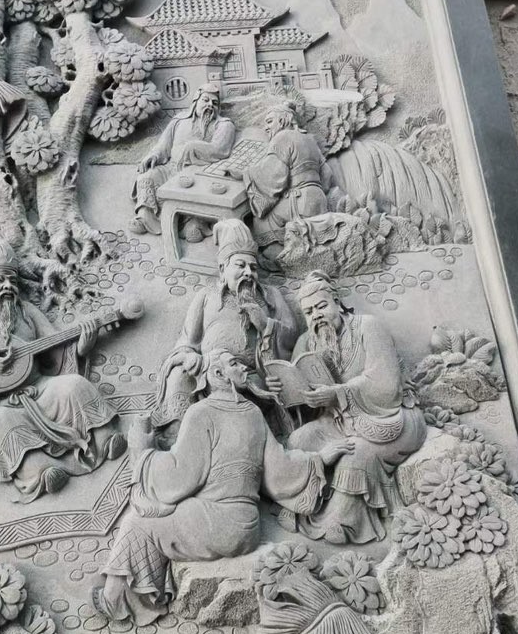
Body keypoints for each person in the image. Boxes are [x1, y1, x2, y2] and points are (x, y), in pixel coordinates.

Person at [95, 351, 352, 624]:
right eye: (234, 364)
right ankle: (146, 590)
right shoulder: (252, 413)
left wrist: (143, 451)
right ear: (218, 374)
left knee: (136, 523)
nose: (243, 368)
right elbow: (279, 472)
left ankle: (118, 601)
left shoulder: (201, 412)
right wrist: (318, 459)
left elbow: (180, 478)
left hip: (216, 521)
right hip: (247, 526)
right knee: (155, 518)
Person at [0, 241, 126, 501]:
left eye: (12, 281)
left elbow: (56, 348)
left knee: (73, 385)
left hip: (39, 388)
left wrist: (82, 346)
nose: (8, 286)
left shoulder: (27, 312)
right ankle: (39, 470)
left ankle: (104, 440)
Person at [280, 271, 427, 544]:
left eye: (321, 306)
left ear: (336, 302)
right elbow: (302, 395)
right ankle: (305, 505)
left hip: (388, 416)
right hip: (339, 421)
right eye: (309, 312)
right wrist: (286, 391)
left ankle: (341, 523)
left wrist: (337, 393)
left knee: (355, 453)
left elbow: (386, 385)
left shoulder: (368, 327)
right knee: (300, 440)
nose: (316, 316)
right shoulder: (306, 342)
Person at [153, 218, 297, 428]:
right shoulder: (206, 296)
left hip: (249, 374)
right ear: (223, 269)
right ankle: (176, 436)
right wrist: (188, 356)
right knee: (178, 376)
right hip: (206, 370)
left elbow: (292, 335)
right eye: (240, 265)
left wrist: (265, 324)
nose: (249, 273)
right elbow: (187, 341)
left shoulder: (270, 296)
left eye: (253, 268)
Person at [131, 83, 236, 235]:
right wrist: (154, 155)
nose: (210, 105)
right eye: (205, 100)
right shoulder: (179, 120)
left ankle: (192, 224)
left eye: (215, 103)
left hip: (197, 171)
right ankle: (145, 218)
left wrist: (193, 146)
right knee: (147, 177)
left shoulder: (224, 125)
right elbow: (164, 145)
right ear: (195, 101)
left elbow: (220, 150)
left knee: (193, 190)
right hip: (171, 168)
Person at [235, 105, 332, 267]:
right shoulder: (310, 140)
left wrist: (246, 173)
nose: (266, 127)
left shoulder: (282, 137)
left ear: (282, 120)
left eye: (269, 121)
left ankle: (282, 261)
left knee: (262, 220)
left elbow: (274, 174)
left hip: (297, 200)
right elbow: (327, 175)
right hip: (319, 198)